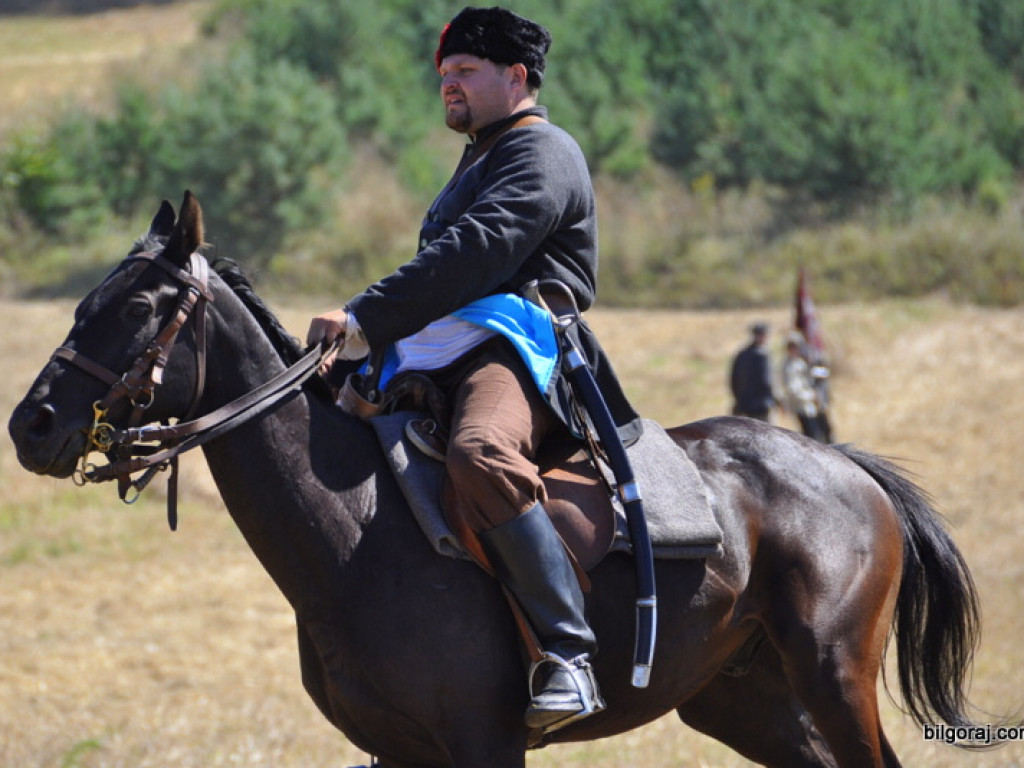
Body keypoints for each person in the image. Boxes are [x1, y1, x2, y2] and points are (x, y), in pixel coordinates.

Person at [306, 6, 641, 732]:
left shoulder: (543, 150)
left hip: (514, 349)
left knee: (479, 453)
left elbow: (482, 249)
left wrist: (364, 315)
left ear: (515, 76)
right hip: (439, 351)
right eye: (443, 76)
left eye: (464, 72)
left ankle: (566, 652)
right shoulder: (481, 156)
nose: (448, 86)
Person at [780, 332, 828, 443]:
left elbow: (811, 375)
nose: (794, 349)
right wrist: (811, 396)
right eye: (791, 346)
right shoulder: (789, 366)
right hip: (802, 406)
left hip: (809, 405)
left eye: (796, 346)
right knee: (813, 437)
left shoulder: (799, 362)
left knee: (818, 435)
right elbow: (793, 389)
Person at [729, 322, 776, 421]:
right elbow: (766, 382)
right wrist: (776, 399)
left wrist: (739, 400)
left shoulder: (741, 354)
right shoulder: (762, 355)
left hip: (742, 406)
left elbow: (733, 381)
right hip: (761, 407)